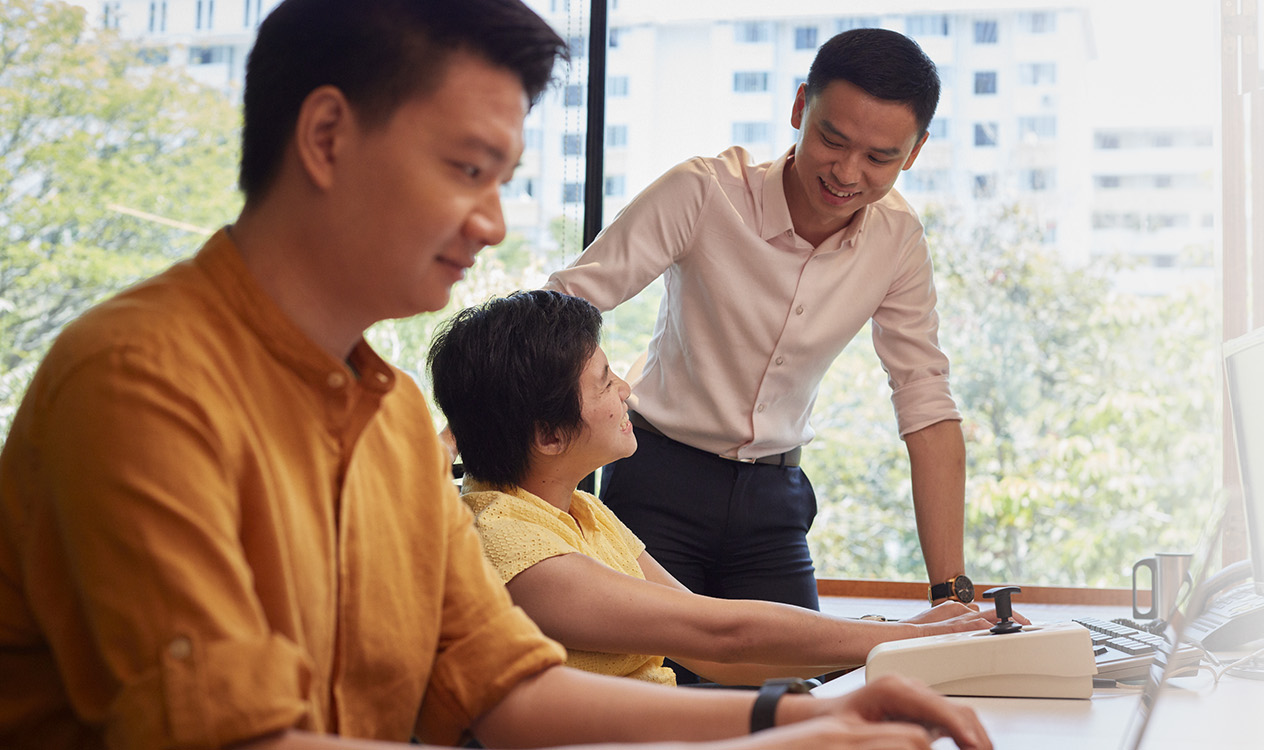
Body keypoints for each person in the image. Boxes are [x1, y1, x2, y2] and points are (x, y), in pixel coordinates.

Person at [0, 2, 991, 749]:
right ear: (328, 137)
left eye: (502, 179)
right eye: (468, 169)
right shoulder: (141, 384)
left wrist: (788, 720)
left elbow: (503, 689)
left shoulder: (391, 428)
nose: (494, 223)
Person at [545, 28, 974, 621]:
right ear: (801, 107)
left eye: (880, 158)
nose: (848, 173)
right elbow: (562, 305)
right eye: (832, 139)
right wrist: (481, 441)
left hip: (775, 503)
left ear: (916, 150)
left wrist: (951, 597)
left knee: (792, 695)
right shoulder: (703, 192)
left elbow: (926, 402)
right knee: (655, 685)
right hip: (659, 479)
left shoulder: (897, 240)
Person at [427, 290, 1017, 686]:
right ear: (550, 436)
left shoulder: (578, 508)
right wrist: (910, 639)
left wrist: (899, 646)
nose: (626, 392)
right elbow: (720, 632)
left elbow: (708, 649)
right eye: (606, 384)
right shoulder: (507, 542)